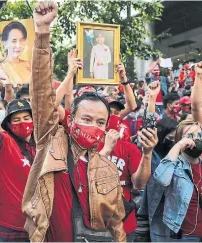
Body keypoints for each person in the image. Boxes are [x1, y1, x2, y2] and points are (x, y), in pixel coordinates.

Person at [21, 3, 126, 241]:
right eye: (86, 119)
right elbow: (40, 95)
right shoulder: (51, 142)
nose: (94, 126)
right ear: (70, 119)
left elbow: (116, 224)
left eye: (100, 122)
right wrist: (42, 31)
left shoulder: (108, 169)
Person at [140, 120, 202, 242]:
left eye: (200, 135)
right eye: (190, 135)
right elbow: (161, 179)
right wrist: (179, 146)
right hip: (179, 237)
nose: (196, 139)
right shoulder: (172, 166)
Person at [0, 75, 35, 242]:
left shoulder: (45, 143)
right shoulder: (5, 143)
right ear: (9, 125)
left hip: (42, 223)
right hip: (11, 226)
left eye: (27, 118)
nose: (23, 122)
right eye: (16, 120)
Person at [0, 21, 31, 85]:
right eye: (14, 41)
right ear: (5, 43)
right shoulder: (1, 69)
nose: (18, 45)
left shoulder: (27, 65)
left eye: (21, 40)